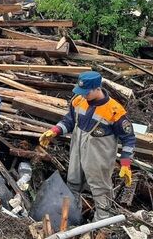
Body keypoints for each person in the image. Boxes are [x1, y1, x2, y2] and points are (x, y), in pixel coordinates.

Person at [39, 71, 135, 222]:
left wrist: (125, 163)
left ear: (98, 88)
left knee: (100, 189)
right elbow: (69, 121)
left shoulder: (114, 111)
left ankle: (101, 225)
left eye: (86, 92)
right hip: (77, 151)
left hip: (99, 156)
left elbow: (128, 139)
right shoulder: (78, 101)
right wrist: (55, 131)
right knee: (73, 182)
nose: (83, 95)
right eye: (81, 91)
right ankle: (72, 219)